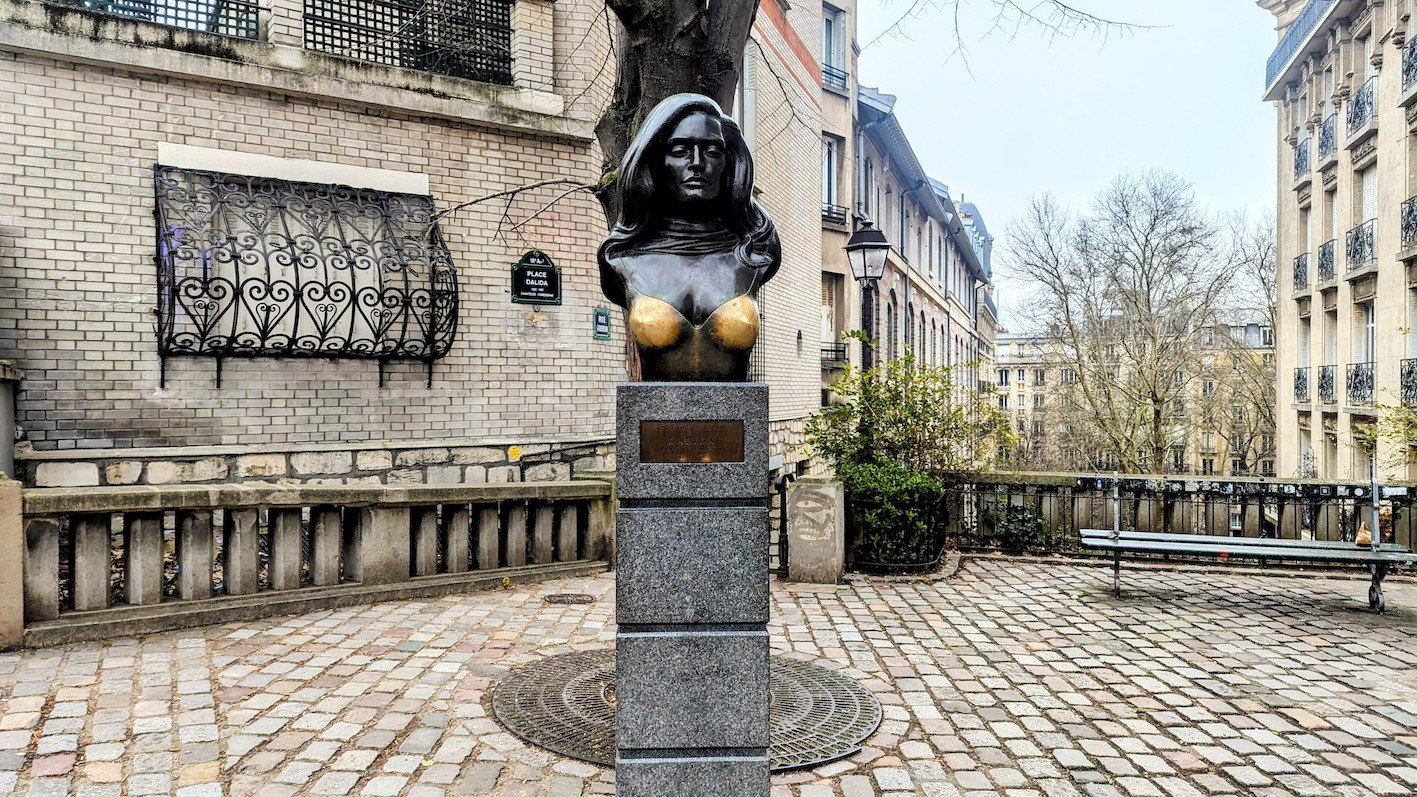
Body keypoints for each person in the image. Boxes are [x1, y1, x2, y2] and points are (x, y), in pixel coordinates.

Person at [598, 93, 781, 381]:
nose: (697, 163)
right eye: (681, 150)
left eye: (711, 150)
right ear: (656, 160)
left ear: (728, 161)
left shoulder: (754, 251)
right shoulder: (623, 257)